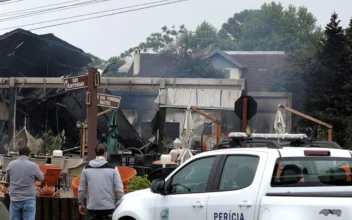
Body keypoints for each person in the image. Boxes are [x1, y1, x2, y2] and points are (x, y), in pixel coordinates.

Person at [78, 144, 124, 220]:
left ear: (95, 152)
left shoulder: (86, 169)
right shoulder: (113, 169)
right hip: (108, 208)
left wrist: (80, 204)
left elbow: (81, 189)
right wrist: (118, 204)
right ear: (106, 153)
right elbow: (119, 189)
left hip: (92, 208)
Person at [6, 147, 44, 220]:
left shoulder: (11, 164)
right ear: (29, 155)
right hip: (29, 199)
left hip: (14, 199)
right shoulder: (33, 166)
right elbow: (41, 178)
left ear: (18, 154)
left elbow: (7, 179)